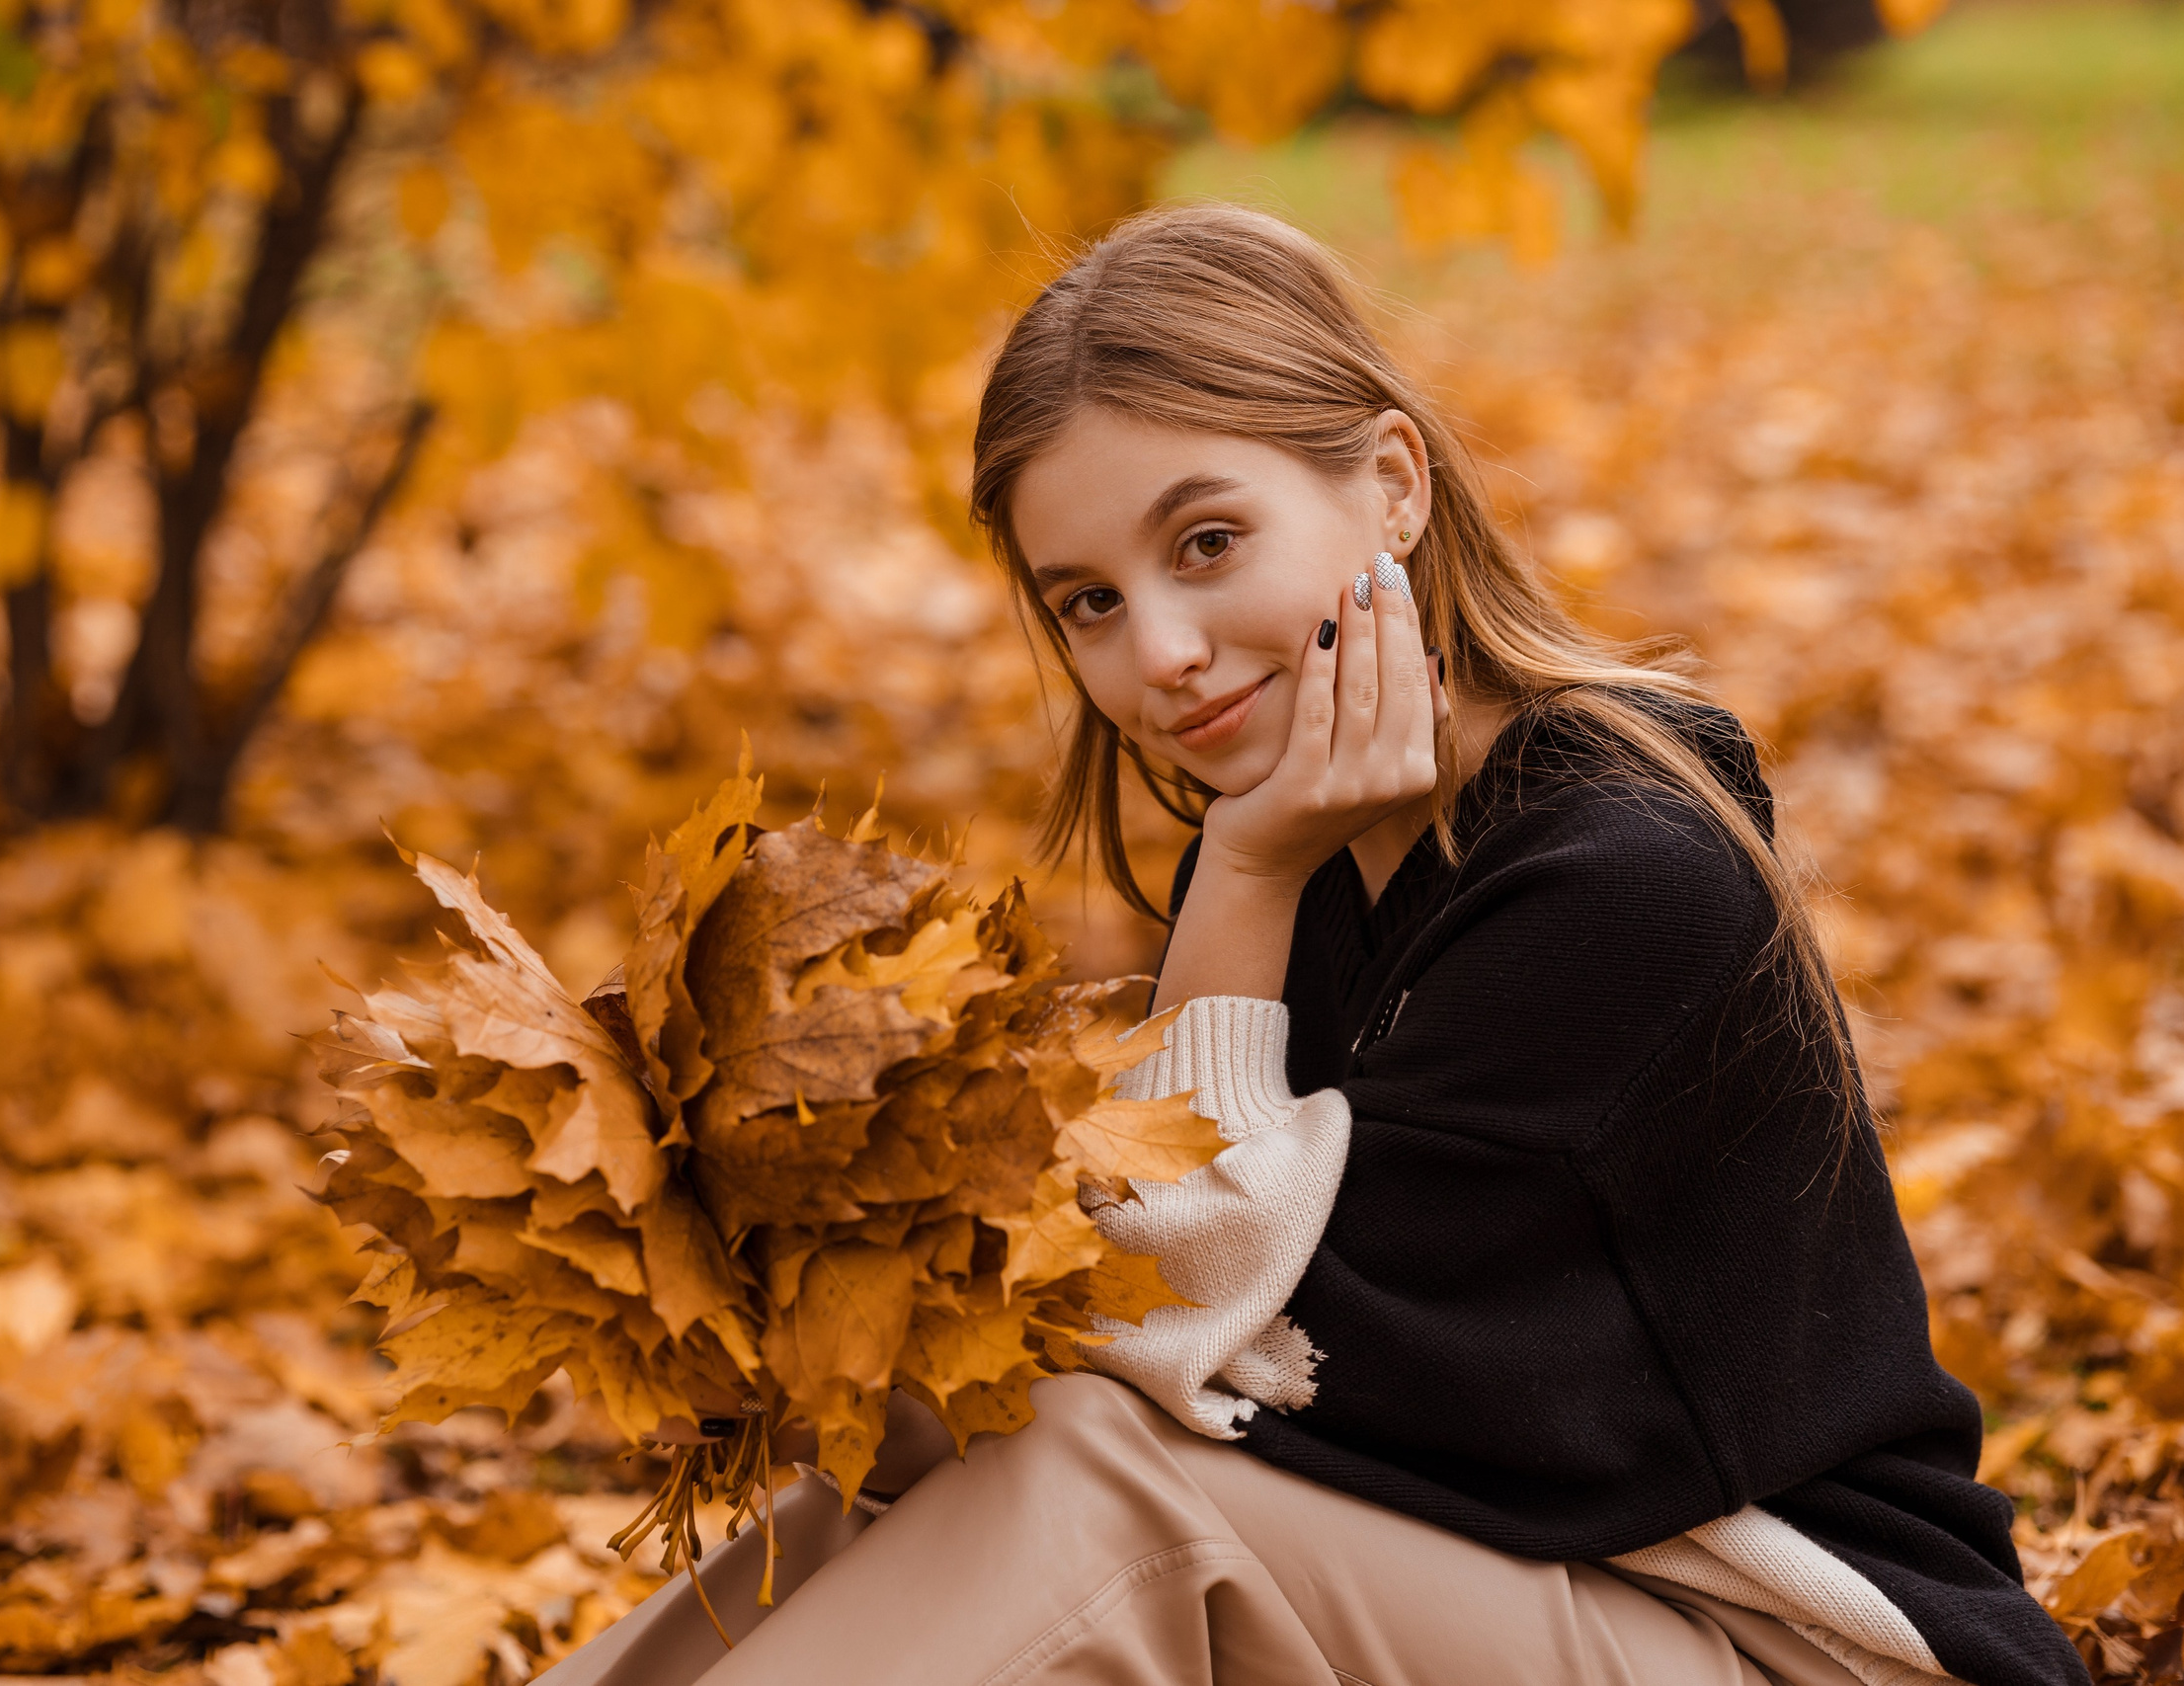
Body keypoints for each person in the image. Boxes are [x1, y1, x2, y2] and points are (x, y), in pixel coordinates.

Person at [540, 205, 2086, 1686]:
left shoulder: (1623, 881)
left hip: (1794, 1649)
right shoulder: (1346, 874)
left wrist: (1246, 869)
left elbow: (1189, 1347)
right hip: (1524, 1595)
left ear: (1393, 485)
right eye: (1088, 600)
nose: (1158, 652)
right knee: (903, 1500)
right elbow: (1102, 1347)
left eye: (1207, 542)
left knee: (1115, 1495)